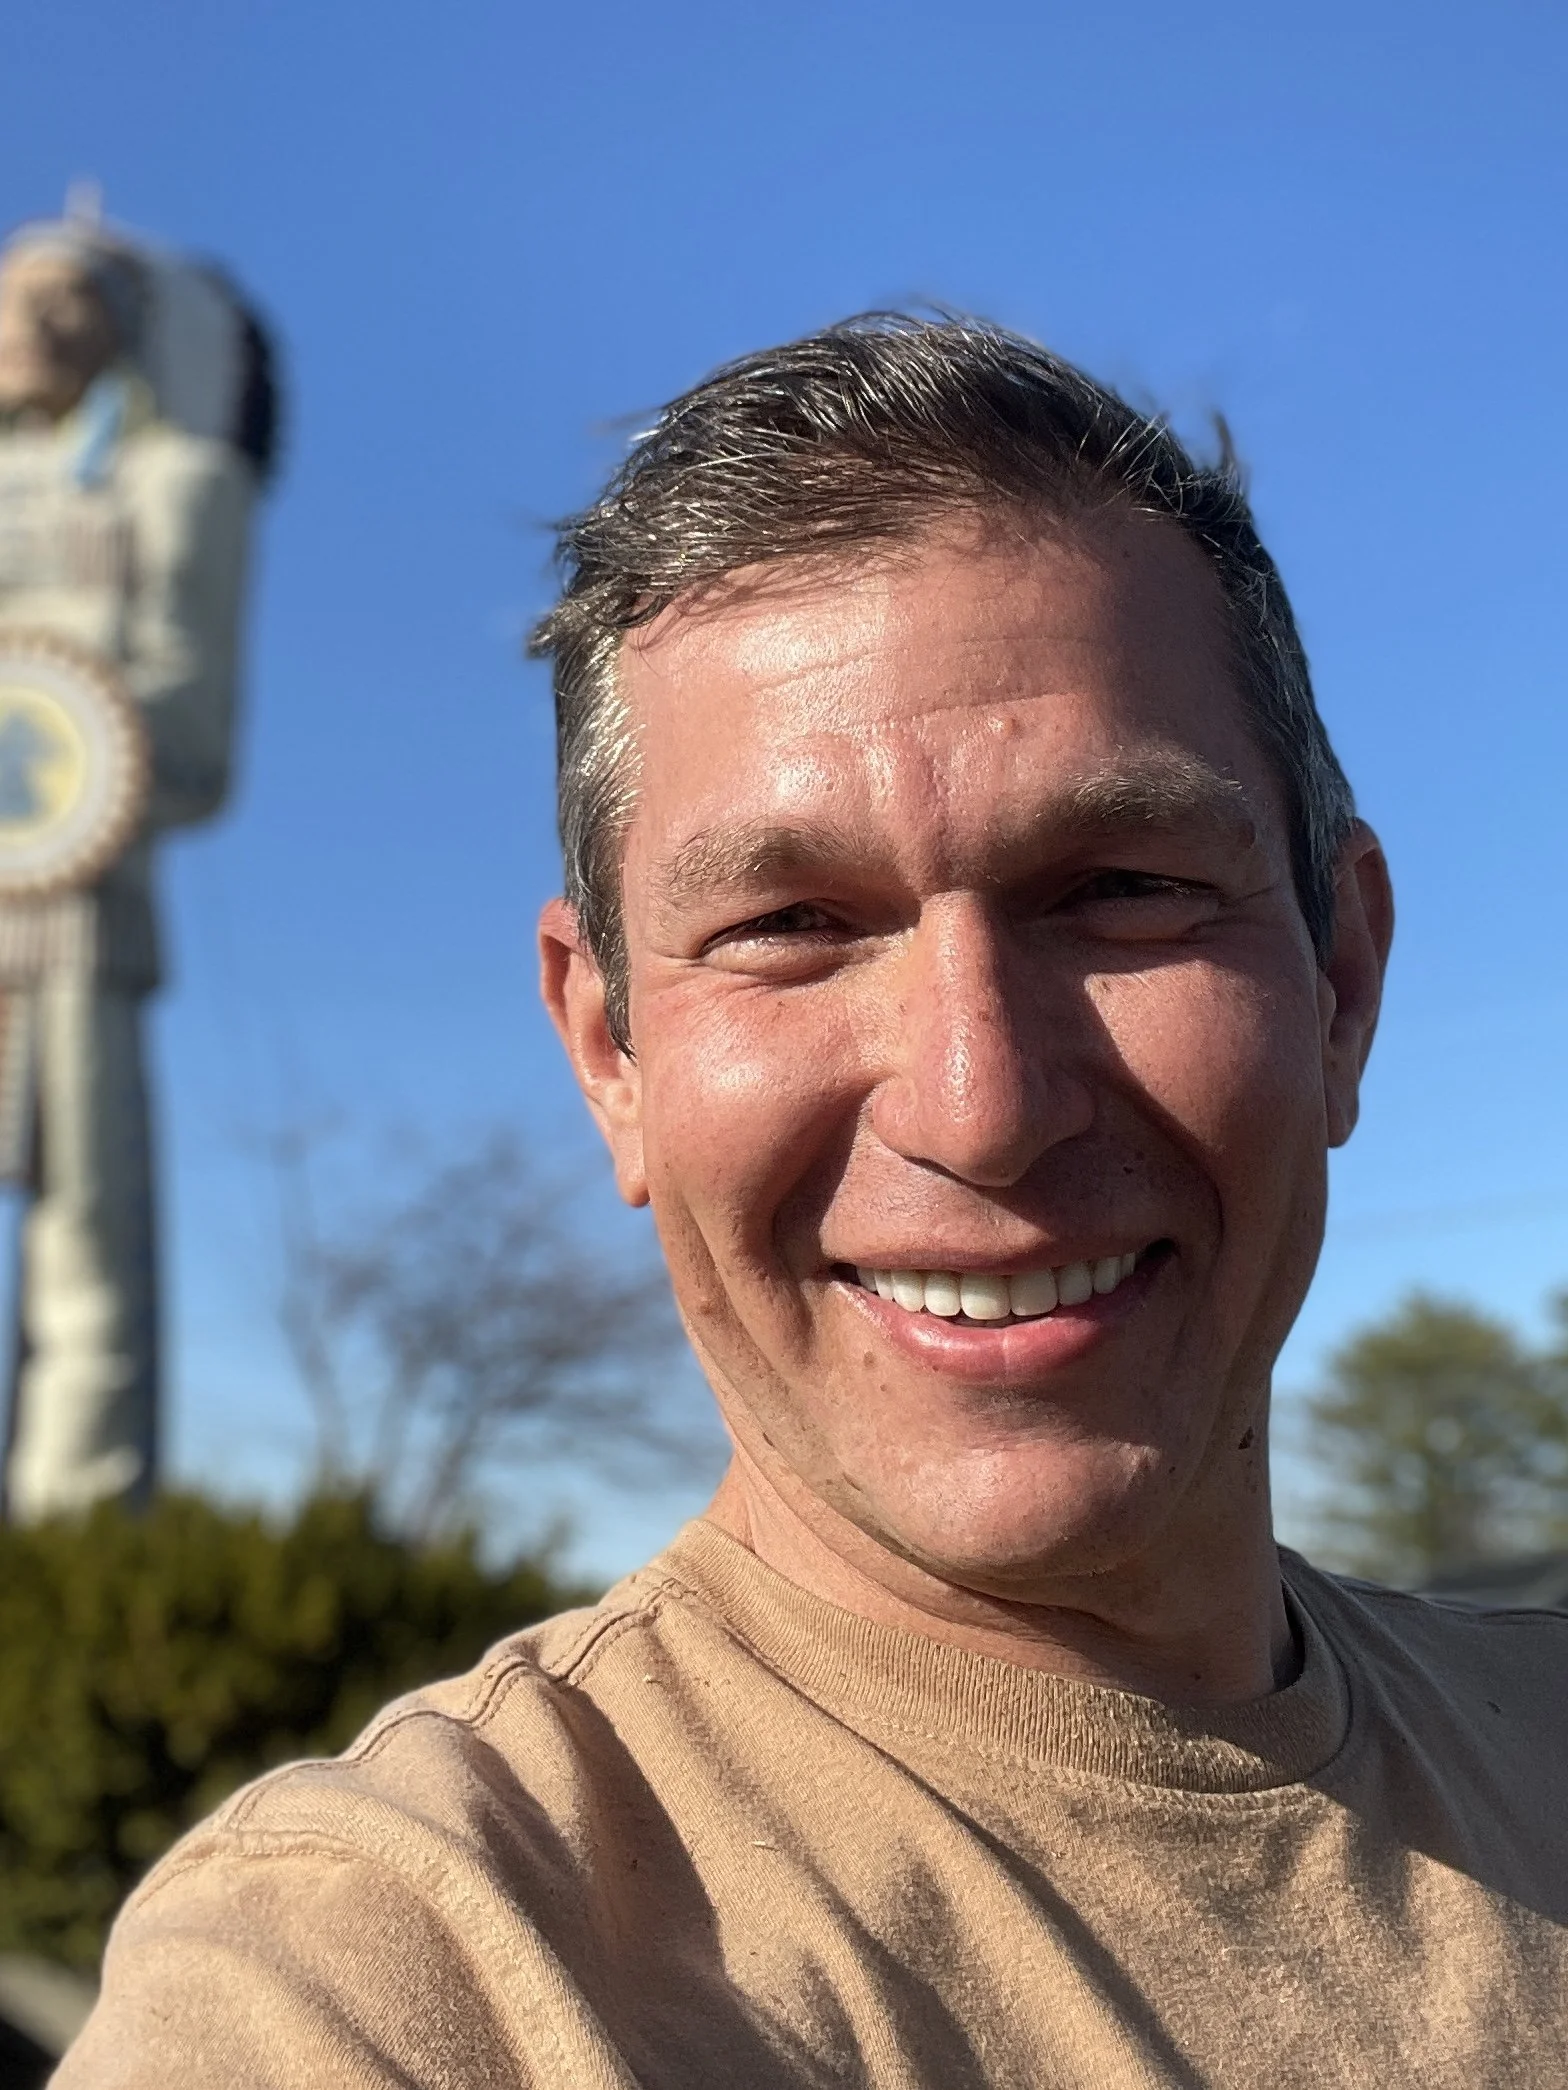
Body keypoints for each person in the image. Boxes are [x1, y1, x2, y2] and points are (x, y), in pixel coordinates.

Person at [58, 317, 1568, 2086]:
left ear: (1343, 981)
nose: (980, 1105)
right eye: (791, 926)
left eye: (1125, 888)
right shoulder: (403, 1974)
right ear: (610, 1053)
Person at [0, 207, 275, 1521]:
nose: (32, 323)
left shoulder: (177, 488)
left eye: (69, 300)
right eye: (15, 293)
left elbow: (194, 726)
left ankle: (78, 1531)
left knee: (86, 1245)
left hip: (80, 904)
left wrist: (71, 723)